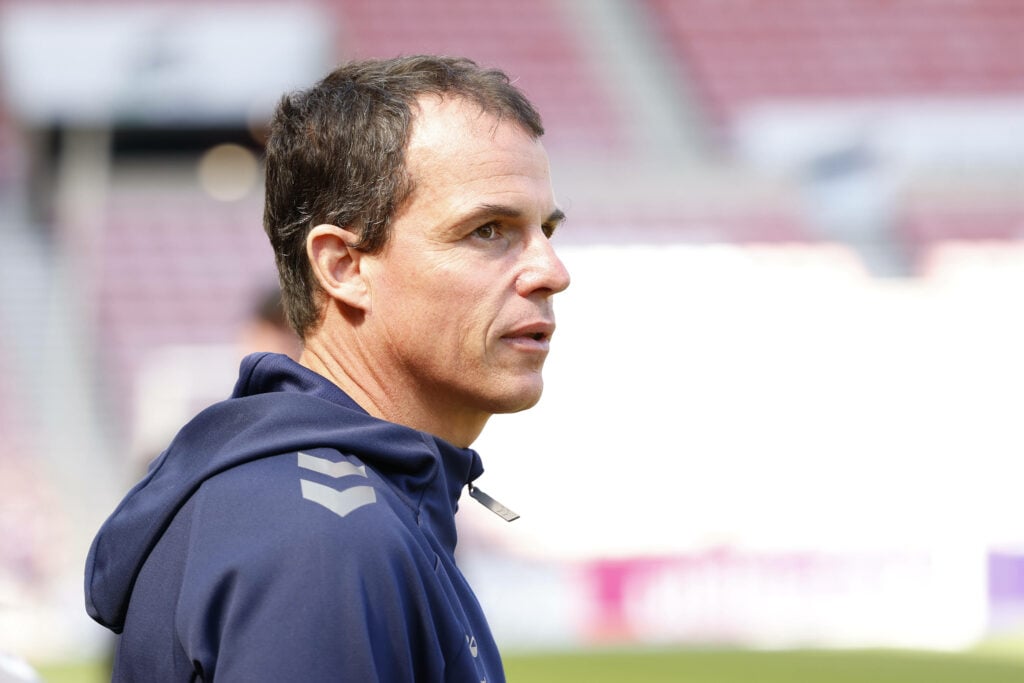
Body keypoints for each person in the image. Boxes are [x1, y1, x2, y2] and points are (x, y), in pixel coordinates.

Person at [84, 55, 571, 682]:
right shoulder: (322, 534)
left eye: (546, 230)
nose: (552, 272)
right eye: (487, 230)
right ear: (343, 266)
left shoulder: (331, 501)